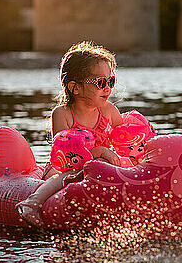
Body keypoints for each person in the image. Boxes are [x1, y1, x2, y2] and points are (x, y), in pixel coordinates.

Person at [16, 41, 123, 226]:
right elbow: (65, 154)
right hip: (66, 167)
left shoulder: (108, 111)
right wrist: (99, 152)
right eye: (101, 82)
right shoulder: (63, 114)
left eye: (110, 81)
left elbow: (125, 139)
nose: (108, 88)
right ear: (75, 88)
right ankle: (32, 203)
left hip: (98, 168)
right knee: (72, 173)